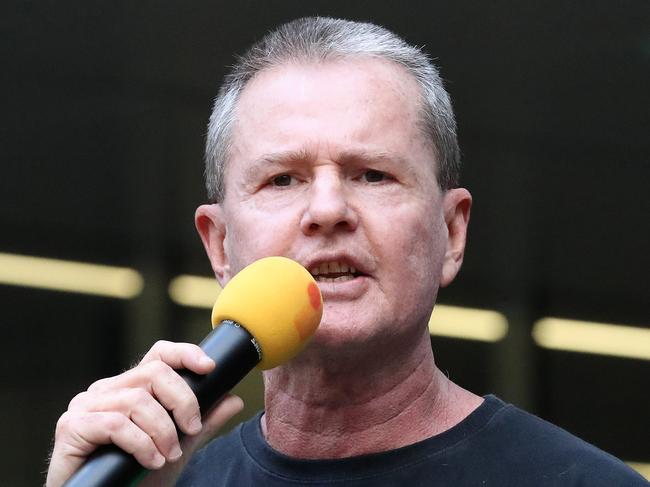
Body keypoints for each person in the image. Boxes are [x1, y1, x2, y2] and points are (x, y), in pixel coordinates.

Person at [46, 17, 648, 487]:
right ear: (220, 245)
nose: (328, 209)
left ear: (452, 234)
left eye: (373, 175)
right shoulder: (151, 485)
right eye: (282, 179)